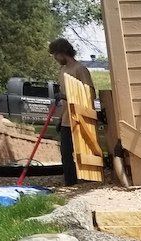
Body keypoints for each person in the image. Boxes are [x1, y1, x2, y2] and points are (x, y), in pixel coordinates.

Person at [48, 39, 95, 186]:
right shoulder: (62, 70)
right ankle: (70, 182)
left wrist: (65, 96)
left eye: (56, 55)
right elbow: (64, 99)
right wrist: (60, 118)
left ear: (63, 52)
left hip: (81, 117)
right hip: (67, 119)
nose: (55, 59)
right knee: (66, 153)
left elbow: (89, 94)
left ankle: (89, 181)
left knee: (84, 151)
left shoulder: (80, 69)